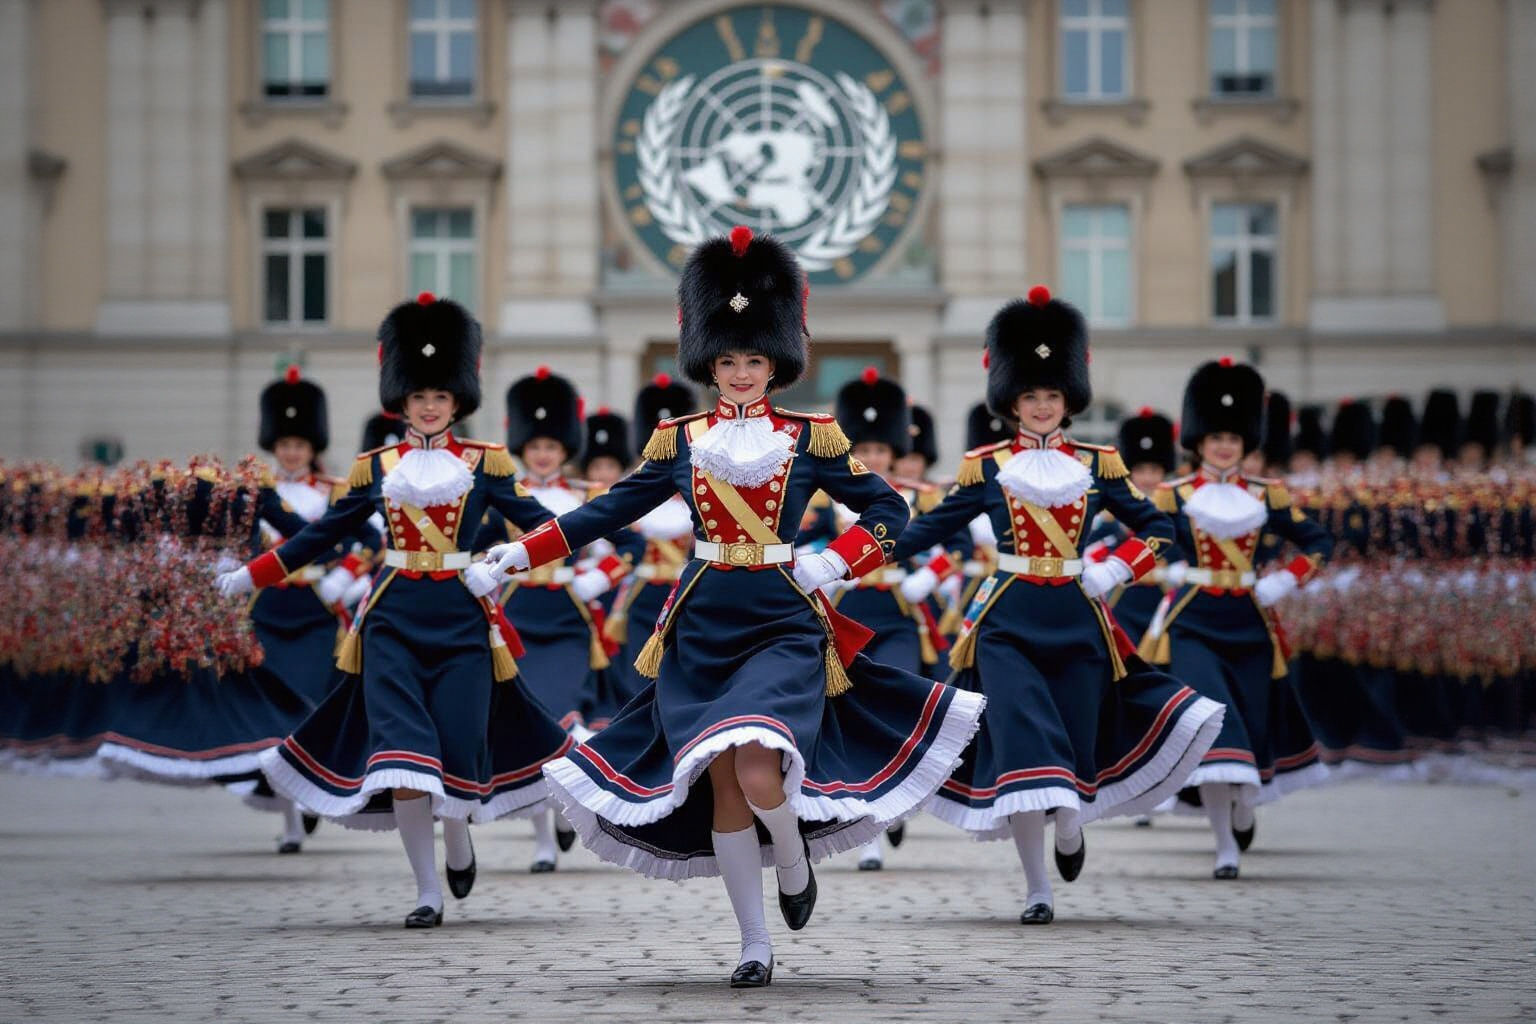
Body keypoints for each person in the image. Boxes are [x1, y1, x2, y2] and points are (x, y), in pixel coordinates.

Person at [481, 227, 985, 986]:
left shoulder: (813, 437)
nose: (742, 372)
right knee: (720, 777)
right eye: (728, 360)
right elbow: (604, 514)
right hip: (702, 621)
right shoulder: (677, 440)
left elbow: (890, 512)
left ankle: (792, 852)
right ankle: (754, 943)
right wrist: (520, 554)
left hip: (784, 617)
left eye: (754, 359)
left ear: (776, 362)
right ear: (707, 363)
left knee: (758, 770)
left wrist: (835, 561)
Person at [214, 293, 574, 928]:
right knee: (403, 754)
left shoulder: (486, 462)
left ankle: (458, 835)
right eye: (418, 396)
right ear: (400, 401)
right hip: (390, 618)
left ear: (457, 399)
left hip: (464, 620)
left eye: (439, 395)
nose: (429, 405)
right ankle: (426, 890)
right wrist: (251, 575)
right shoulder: (373, 467)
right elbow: (318, 537)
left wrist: (503, 562)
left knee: (461, 745)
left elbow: (541, 525)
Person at [888, 287, 1225, 924]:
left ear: (1068, 400)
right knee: (1021, 744)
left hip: (1079, 620)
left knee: (1070, 748)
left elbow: (1159, 529)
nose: (1042, 406)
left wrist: (1118, 566)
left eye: (1051, 395)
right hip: (1006, 621)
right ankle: (1036, 885)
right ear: (1011, 402)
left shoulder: (1101, 463)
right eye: (1030, 396)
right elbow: (926, 534)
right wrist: (855, 551)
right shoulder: (983, 467)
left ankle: (1070, 824)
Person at [99, 367, 376, 854]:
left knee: (307, 711)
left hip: (317, 610)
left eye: (300, 444)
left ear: (314, 446)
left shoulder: (334, 490)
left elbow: (371, 540)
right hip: (266, 609)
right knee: (271, 714)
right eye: (284, 443)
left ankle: (312, 790)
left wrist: (346, 575)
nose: (292, 452)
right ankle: (290, 820)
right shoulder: (252, 493)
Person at [1139, 358, 1334, 879]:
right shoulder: (1174, 494)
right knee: (1216, 723)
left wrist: (1284, 578)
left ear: (1247, 440)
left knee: (1250, 723)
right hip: (1192, 621)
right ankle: (1224, 845)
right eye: (1215, 435)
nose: (1224, 445)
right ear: (1198, 438)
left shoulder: (1267, 494)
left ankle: (1245, 806)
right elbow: (1149, 540)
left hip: (1250, 623)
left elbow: (1318, 542)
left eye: (1233, 435)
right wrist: (1158, 565)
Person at [476, 367, 639, 871]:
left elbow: (631, 544)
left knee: (564, 716)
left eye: (552, 445)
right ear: (522, 447)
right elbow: (476, 549)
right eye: (535, 445)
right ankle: (543, 837)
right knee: (535, 723)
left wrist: (599, 577)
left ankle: (567, 807)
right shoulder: (507, 498)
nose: (543, 454)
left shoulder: (587, 495)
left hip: (569, 621)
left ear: (566, 447)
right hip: (520, 619)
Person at [825, 368, 967, 870]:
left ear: (894, 450)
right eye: (863, 450)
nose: (873, 459)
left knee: (899, 704)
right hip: (847, 620)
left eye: (881, 450)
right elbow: (803, 545)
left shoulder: (923, 496)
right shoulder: (828, 498)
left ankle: (899, 792)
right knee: (856, 718)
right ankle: (870, 832)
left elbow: (961, 546)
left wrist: (929, 576)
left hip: (904, 619)